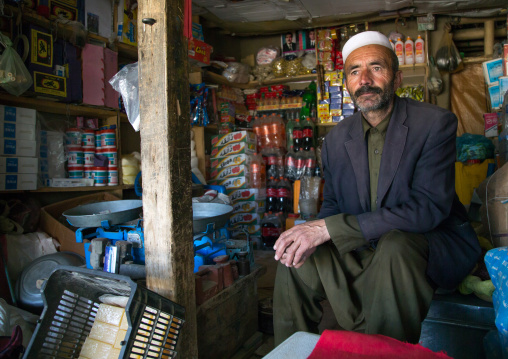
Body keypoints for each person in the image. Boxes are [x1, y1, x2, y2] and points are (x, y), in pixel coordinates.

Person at [272, 31, 481, 346]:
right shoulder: (336, 140)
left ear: (396, 79)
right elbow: (333, 207)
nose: (364, 79)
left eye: (376, 68)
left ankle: (381, 350)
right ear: (347, 84)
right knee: (295, 254)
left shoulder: (434, 123)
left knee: (396, 245)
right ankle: (289, 351)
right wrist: (312, 231)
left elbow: (427, 210)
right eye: (354, 71)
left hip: (422, 244)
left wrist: (329, 229)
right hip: (363, 245)